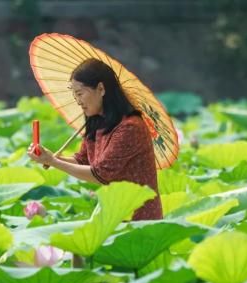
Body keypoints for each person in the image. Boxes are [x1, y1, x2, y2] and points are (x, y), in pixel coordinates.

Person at [26, 58, 163, 221]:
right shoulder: (98, 123)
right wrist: (48, 157)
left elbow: (99, 174)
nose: (78, 101)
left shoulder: (130, 127)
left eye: (80, 93)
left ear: (101, 89)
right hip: (114, 213)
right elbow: (83, 160)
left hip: (140, 217)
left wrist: (54, 162)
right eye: (74, 94)